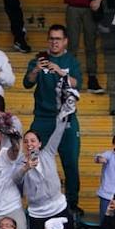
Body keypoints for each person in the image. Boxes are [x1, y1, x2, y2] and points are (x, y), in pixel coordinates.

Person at [22, 26, 81, 212]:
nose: (54, 42)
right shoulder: (39, 59)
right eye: (51, 39)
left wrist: (59, 71)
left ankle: (72, 205)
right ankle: (35, 200)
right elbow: (27, 83)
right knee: (33, 158)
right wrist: (37, 70)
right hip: (42, 118)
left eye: (58, 39)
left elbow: (77, 83)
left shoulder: (70, 60)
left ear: (65, 41)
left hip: (66, 119)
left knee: (70, 162)